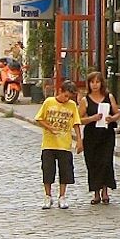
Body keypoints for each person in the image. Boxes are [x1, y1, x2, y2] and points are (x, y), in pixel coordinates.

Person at [34, 80, 83, 210]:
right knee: (48, 170)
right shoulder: (49, 102)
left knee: (65, 171)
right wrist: (49, 127)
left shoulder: (72, 105)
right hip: (49, 144)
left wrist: (79, 140)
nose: (67, 99)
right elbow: (39, 118)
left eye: (70, 97)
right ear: (60, 91)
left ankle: (62, 196)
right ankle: (48, 196)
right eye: (66, 96)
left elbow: (76, 123)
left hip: (64, 144)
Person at [78, 71, 120, 204]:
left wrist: (112, 118)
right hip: (91, 135)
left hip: (106, 135)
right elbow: (78, 119)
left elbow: (118, 113)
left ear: (101, 83)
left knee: (105, 162)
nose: (95, 85)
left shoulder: (109, 97)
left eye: (97, 82)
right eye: (92, 82)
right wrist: (92, 118)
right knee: (93, 163)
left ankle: (105, 191)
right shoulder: (85, 100)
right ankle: (96, 193)